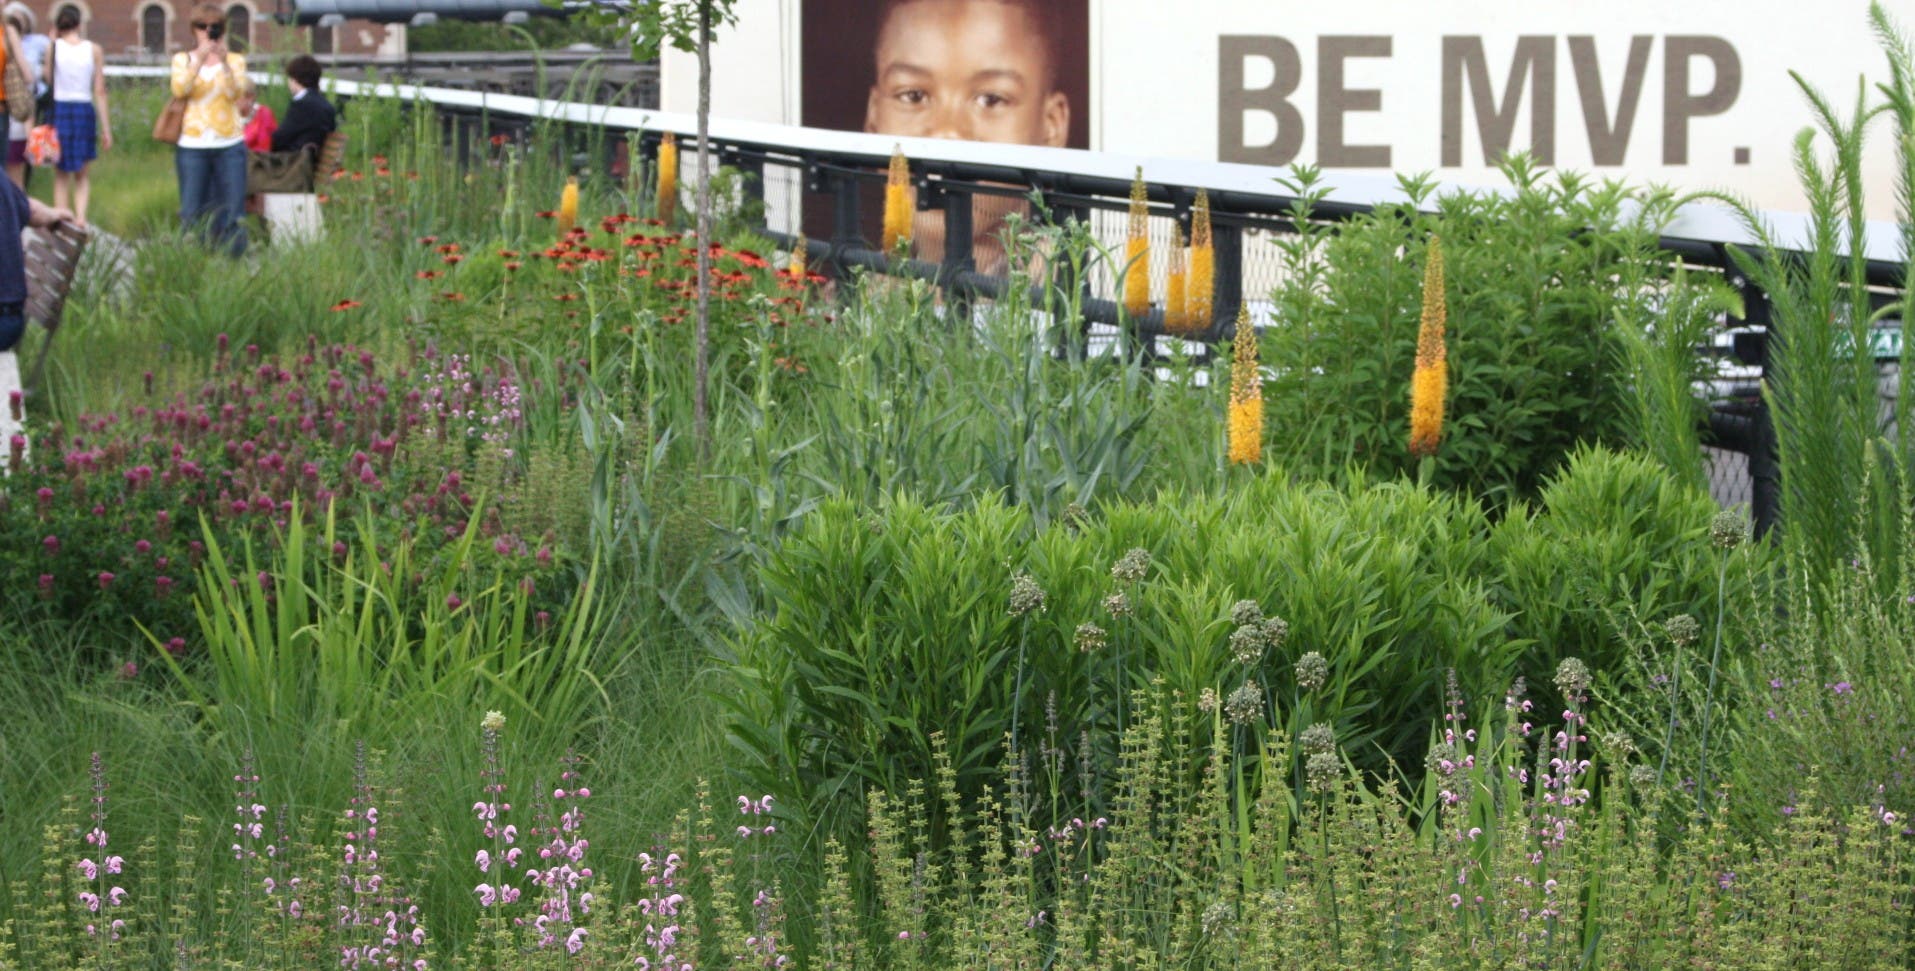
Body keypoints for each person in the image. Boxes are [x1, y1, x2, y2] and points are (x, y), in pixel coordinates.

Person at [862, 0, 1071, 277]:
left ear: (1051, 126)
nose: (948, 133)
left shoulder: (1071, 311)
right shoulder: (843, 303)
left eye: (991, 99)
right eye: (913, 95)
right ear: (874, 118)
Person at [170, 3, 248, 255]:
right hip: (193, 145)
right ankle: (194, 261)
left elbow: (237, 93)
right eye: (201, 27)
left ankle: (233, 264)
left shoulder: (236, 61)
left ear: (222, 30)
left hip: (228, 142)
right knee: (192, 210)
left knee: (233, 210)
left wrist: (224, 63)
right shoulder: (182, 59)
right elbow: (180, 89)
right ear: (194, 30)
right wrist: (199, 60)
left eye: (213, 28)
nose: (207, 32)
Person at [44, 5, 110, 224]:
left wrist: (52, 43)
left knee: (61, 172)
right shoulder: (94, 49)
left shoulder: (53, 47)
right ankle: (81, 217)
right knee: (82, 172)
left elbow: (48, 78)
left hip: (61, 108)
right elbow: (100, 90)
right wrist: (106, 129)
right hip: (84, 107)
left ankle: (61, 216)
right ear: (80, 24)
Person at [2, 2, 46, 189]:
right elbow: (28, 76)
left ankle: (11, 214)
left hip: (5, 110)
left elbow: (27, 76)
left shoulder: (8, 30)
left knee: (11, 169)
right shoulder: (7, 31)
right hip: (4, 111)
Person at [270, 54, 335, 158]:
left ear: (295, 80)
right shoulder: (326, 105)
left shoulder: (302, 104)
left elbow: (280, 137)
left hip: (297, 162)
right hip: (313, 159)